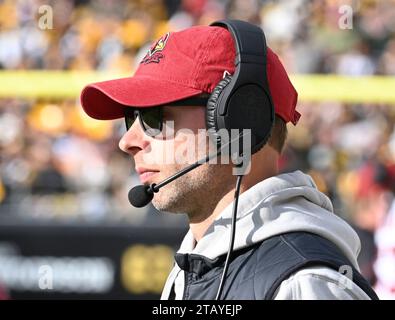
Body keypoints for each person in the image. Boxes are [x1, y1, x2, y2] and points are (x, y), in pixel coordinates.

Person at [80, 20, 378, 300]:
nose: (127, 141)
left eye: (152, 116)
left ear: (241, 120)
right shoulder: (196, 266)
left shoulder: (303, 283)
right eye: (130, 117)